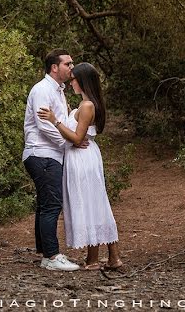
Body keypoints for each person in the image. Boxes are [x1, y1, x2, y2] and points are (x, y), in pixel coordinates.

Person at [37, 62, 123, 271]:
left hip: (82, 158)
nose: (71, 81)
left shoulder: (87, 106)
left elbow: (77, 138)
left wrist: (55, 121)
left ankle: (100, 258)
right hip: (80, 157)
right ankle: (109, 257)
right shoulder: (84, 104)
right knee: (94, 203)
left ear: (83, 80)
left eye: (74, 78)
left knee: (91, 203)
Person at [22, 49, 81, 271]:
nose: (71, 67)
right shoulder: (42, 90)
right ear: (54, 67)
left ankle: (45, 251)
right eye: (68, 64)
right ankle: (51, 257)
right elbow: (44, 125)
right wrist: (70, 143)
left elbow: (60, 121)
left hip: (49, 154)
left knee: (46, 204)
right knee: (52, 205)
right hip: (42, 154)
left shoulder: (58, 91)